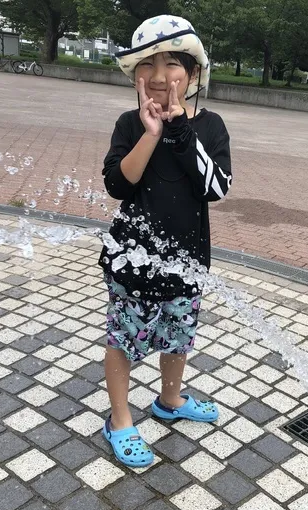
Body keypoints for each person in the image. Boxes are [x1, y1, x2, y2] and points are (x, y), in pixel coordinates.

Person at [98, 14, 232, 468]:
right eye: (149, 65)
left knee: (178, 336)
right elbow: (118, 184)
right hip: (130, 261)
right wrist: (152, 133)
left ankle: (169, 401)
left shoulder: (209, 127)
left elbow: (215, 188)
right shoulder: (127, 123)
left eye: (172, 63)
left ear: (192, 74)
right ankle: (119, 420)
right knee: (123, 338)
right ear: (136, 75)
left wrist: (177, 131)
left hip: (188, 262)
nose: (159, 76)